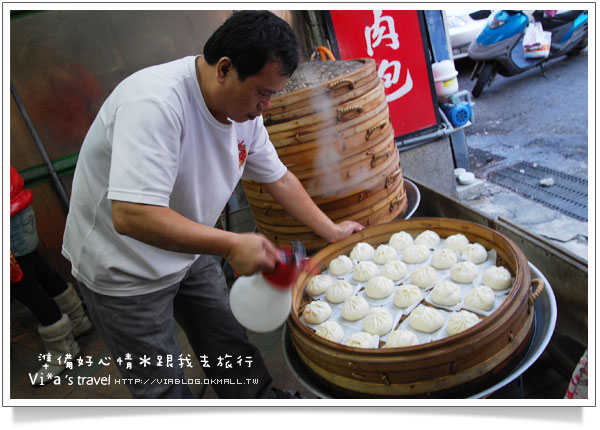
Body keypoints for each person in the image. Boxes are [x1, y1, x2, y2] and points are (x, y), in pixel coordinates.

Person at [61, 10, 363, 399]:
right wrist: (232, 244)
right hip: (124, 270)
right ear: (224, 69)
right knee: (161, 384)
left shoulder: (244, 112)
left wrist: (333, 231)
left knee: (230, 349)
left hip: (190, 246)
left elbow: (279, 178)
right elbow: (131, 215)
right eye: (263, 92)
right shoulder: (155, 104)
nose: (266, 107)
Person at [10, 166, 93, 385]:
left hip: (8, 214)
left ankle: (63, 349)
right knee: (36, 268)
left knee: (21, 284)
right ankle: (77, 321)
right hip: (14, 208)